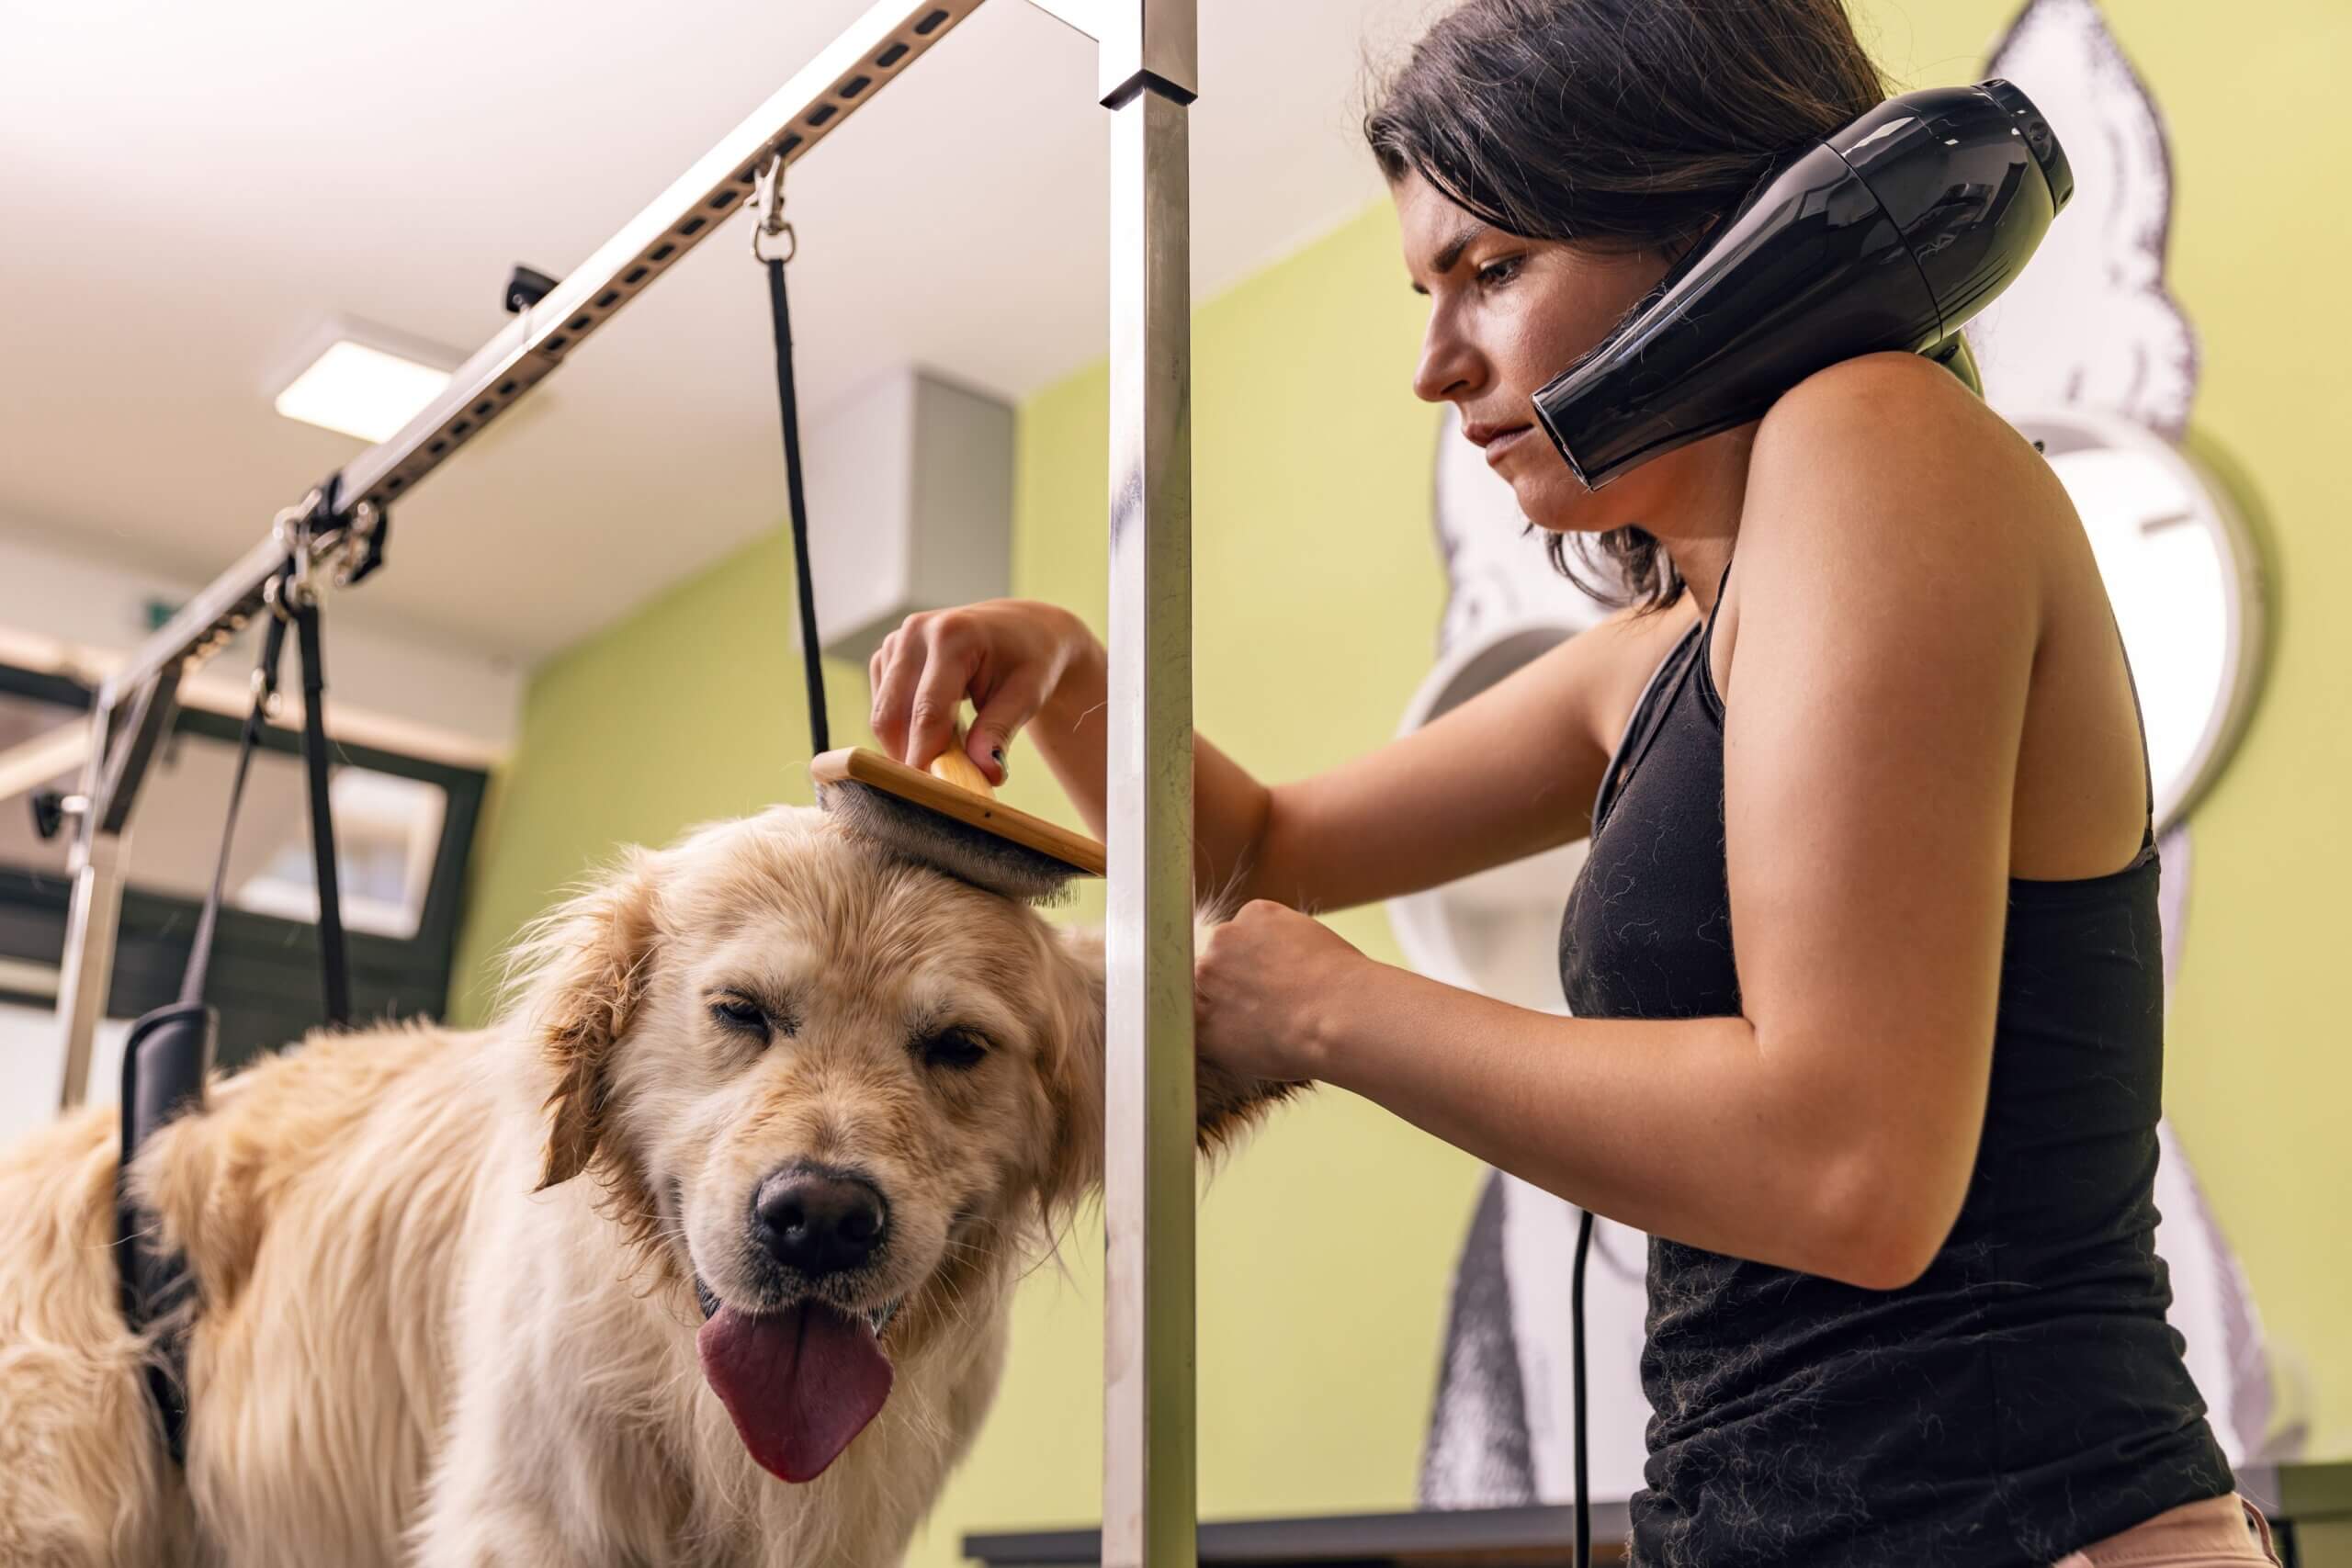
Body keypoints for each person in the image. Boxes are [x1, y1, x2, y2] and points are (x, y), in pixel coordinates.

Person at [865, 2, 2272, 1562]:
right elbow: (1256, 848)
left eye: (1492, 269)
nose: (1433, 361)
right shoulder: (1661, 647)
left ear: (1731, 233)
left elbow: (1850, 1166)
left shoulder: (1877, 438)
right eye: (1427, 287)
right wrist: (1077, 669)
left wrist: (1330, 1011)